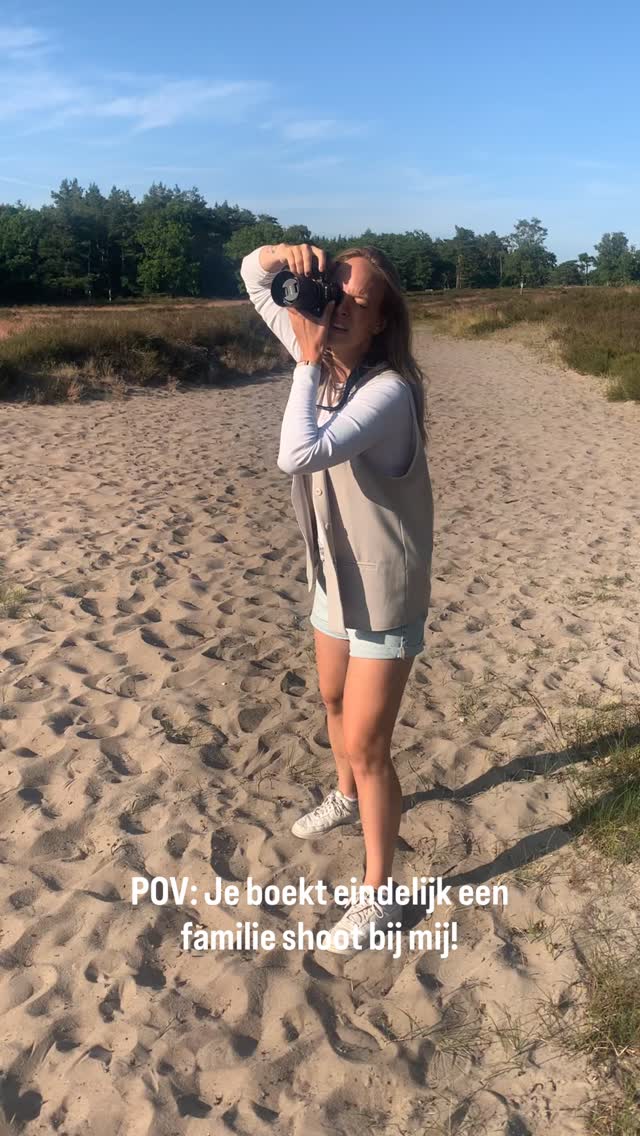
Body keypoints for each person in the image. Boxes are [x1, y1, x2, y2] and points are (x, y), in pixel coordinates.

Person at [240, 241, 434, 953]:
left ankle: (379, 894)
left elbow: (298, 452)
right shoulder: (321, 351)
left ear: (382, 320)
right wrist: (280, 255)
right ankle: (345, 798)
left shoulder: (387, 392)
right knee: (329, 698)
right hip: (333, 573)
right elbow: (252, 277)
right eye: (333, 294)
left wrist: (302, 358)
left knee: (368, 742)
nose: (339, 309)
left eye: (357, 301)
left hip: (383, 588)